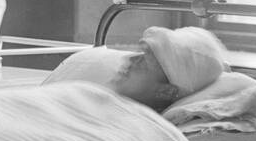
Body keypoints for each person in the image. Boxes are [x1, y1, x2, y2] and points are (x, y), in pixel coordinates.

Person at [43, 25, 229, 111]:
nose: (130, 59)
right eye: (138, 54)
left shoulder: (137, 129)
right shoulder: (87, 100)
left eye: (144, 61)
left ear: (166, 91)